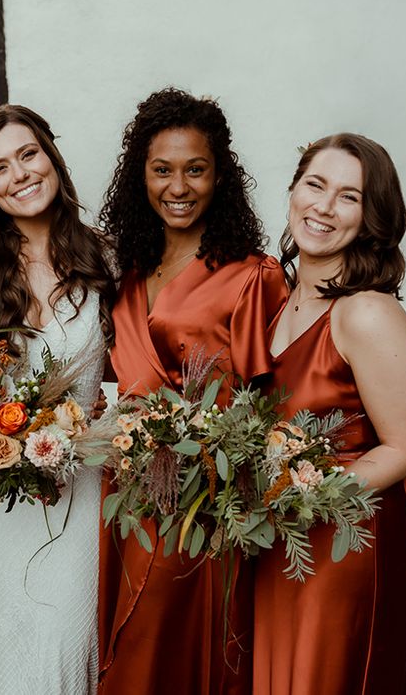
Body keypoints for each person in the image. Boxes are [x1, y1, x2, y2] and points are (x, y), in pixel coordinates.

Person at [98, 88, 288, 694]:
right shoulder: (126, 273)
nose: (178, 187)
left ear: (219, 176)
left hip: (202, 507)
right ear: (140, 176)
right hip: (124, 504)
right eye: (162, 170)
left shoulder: (251, 275)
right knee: (122, 654)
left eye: (195, 170)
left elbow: (271, 403)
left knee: (178, 661)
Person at [0, 104, 117, 694]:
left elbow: (128, 378)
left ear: (52, 159)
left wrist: (100, 430)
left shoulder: (106, 260)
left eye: (28, 154)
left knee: (64, 643)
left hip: (76, 494)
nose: (20, 174)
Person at [253, 133, 406, 694]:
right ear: (294, 190)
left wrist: (308, 492)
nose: (323, 206)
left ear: (372, 218)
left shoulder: (367, 313)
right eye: (315, 185)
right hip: (281, 540)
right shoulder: (279, 302)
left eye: (348, 197)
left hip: (345, 542)